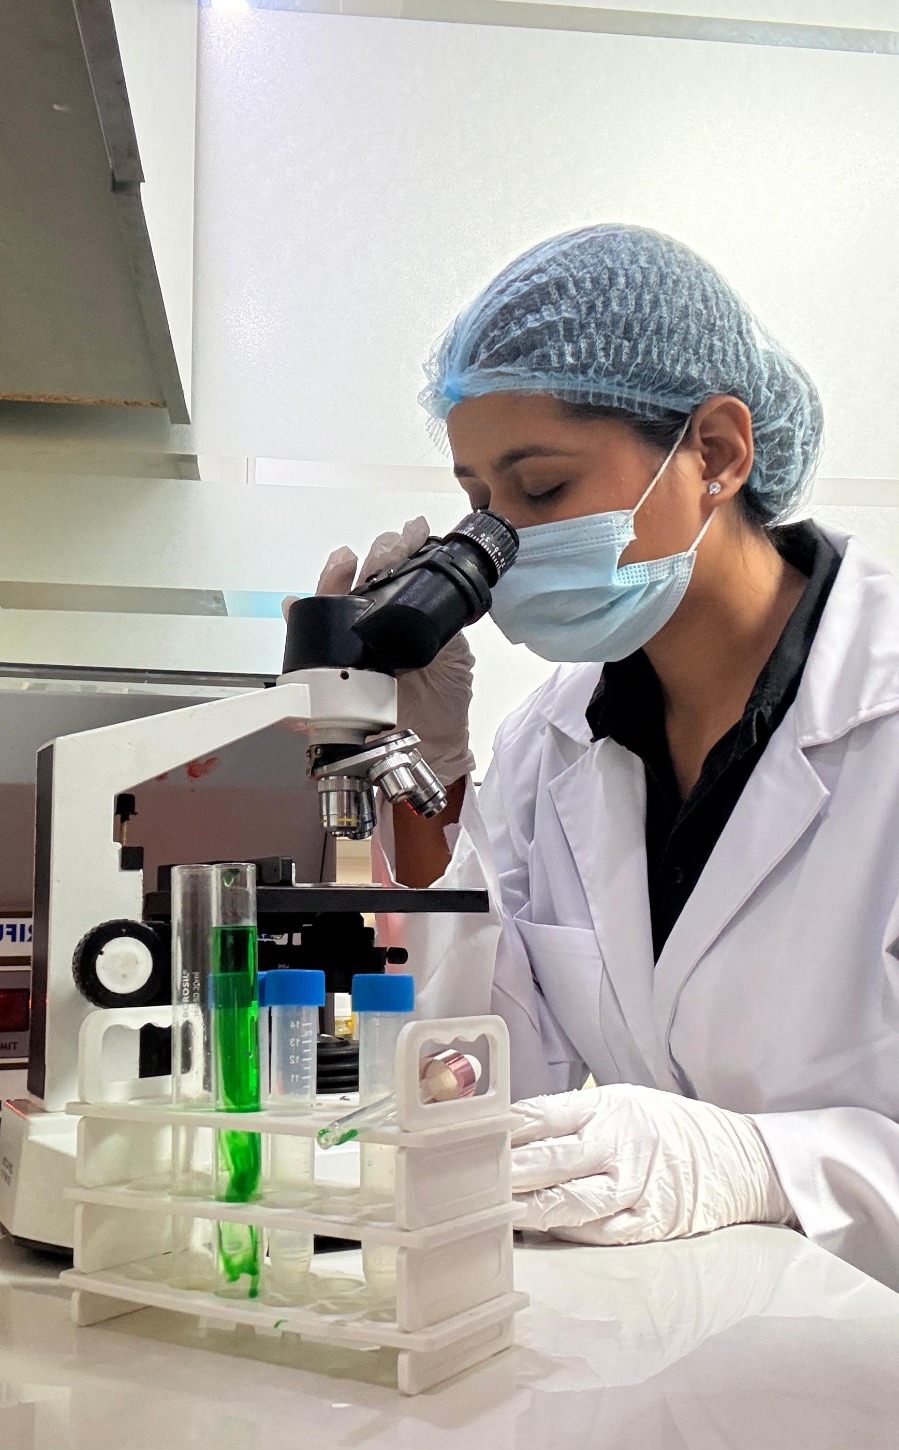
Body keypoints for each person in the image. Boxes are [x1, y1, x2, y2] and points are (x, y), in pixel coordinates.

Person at [317, 225, 899, 1288]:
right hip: (680, 1336)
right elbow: (480, 1072)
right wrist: (421, 757)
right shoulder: (552, 742)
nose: (500, 545)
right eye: (479, 505)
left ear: (715, 452)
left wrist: (773, 1167)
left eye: (539, 490)